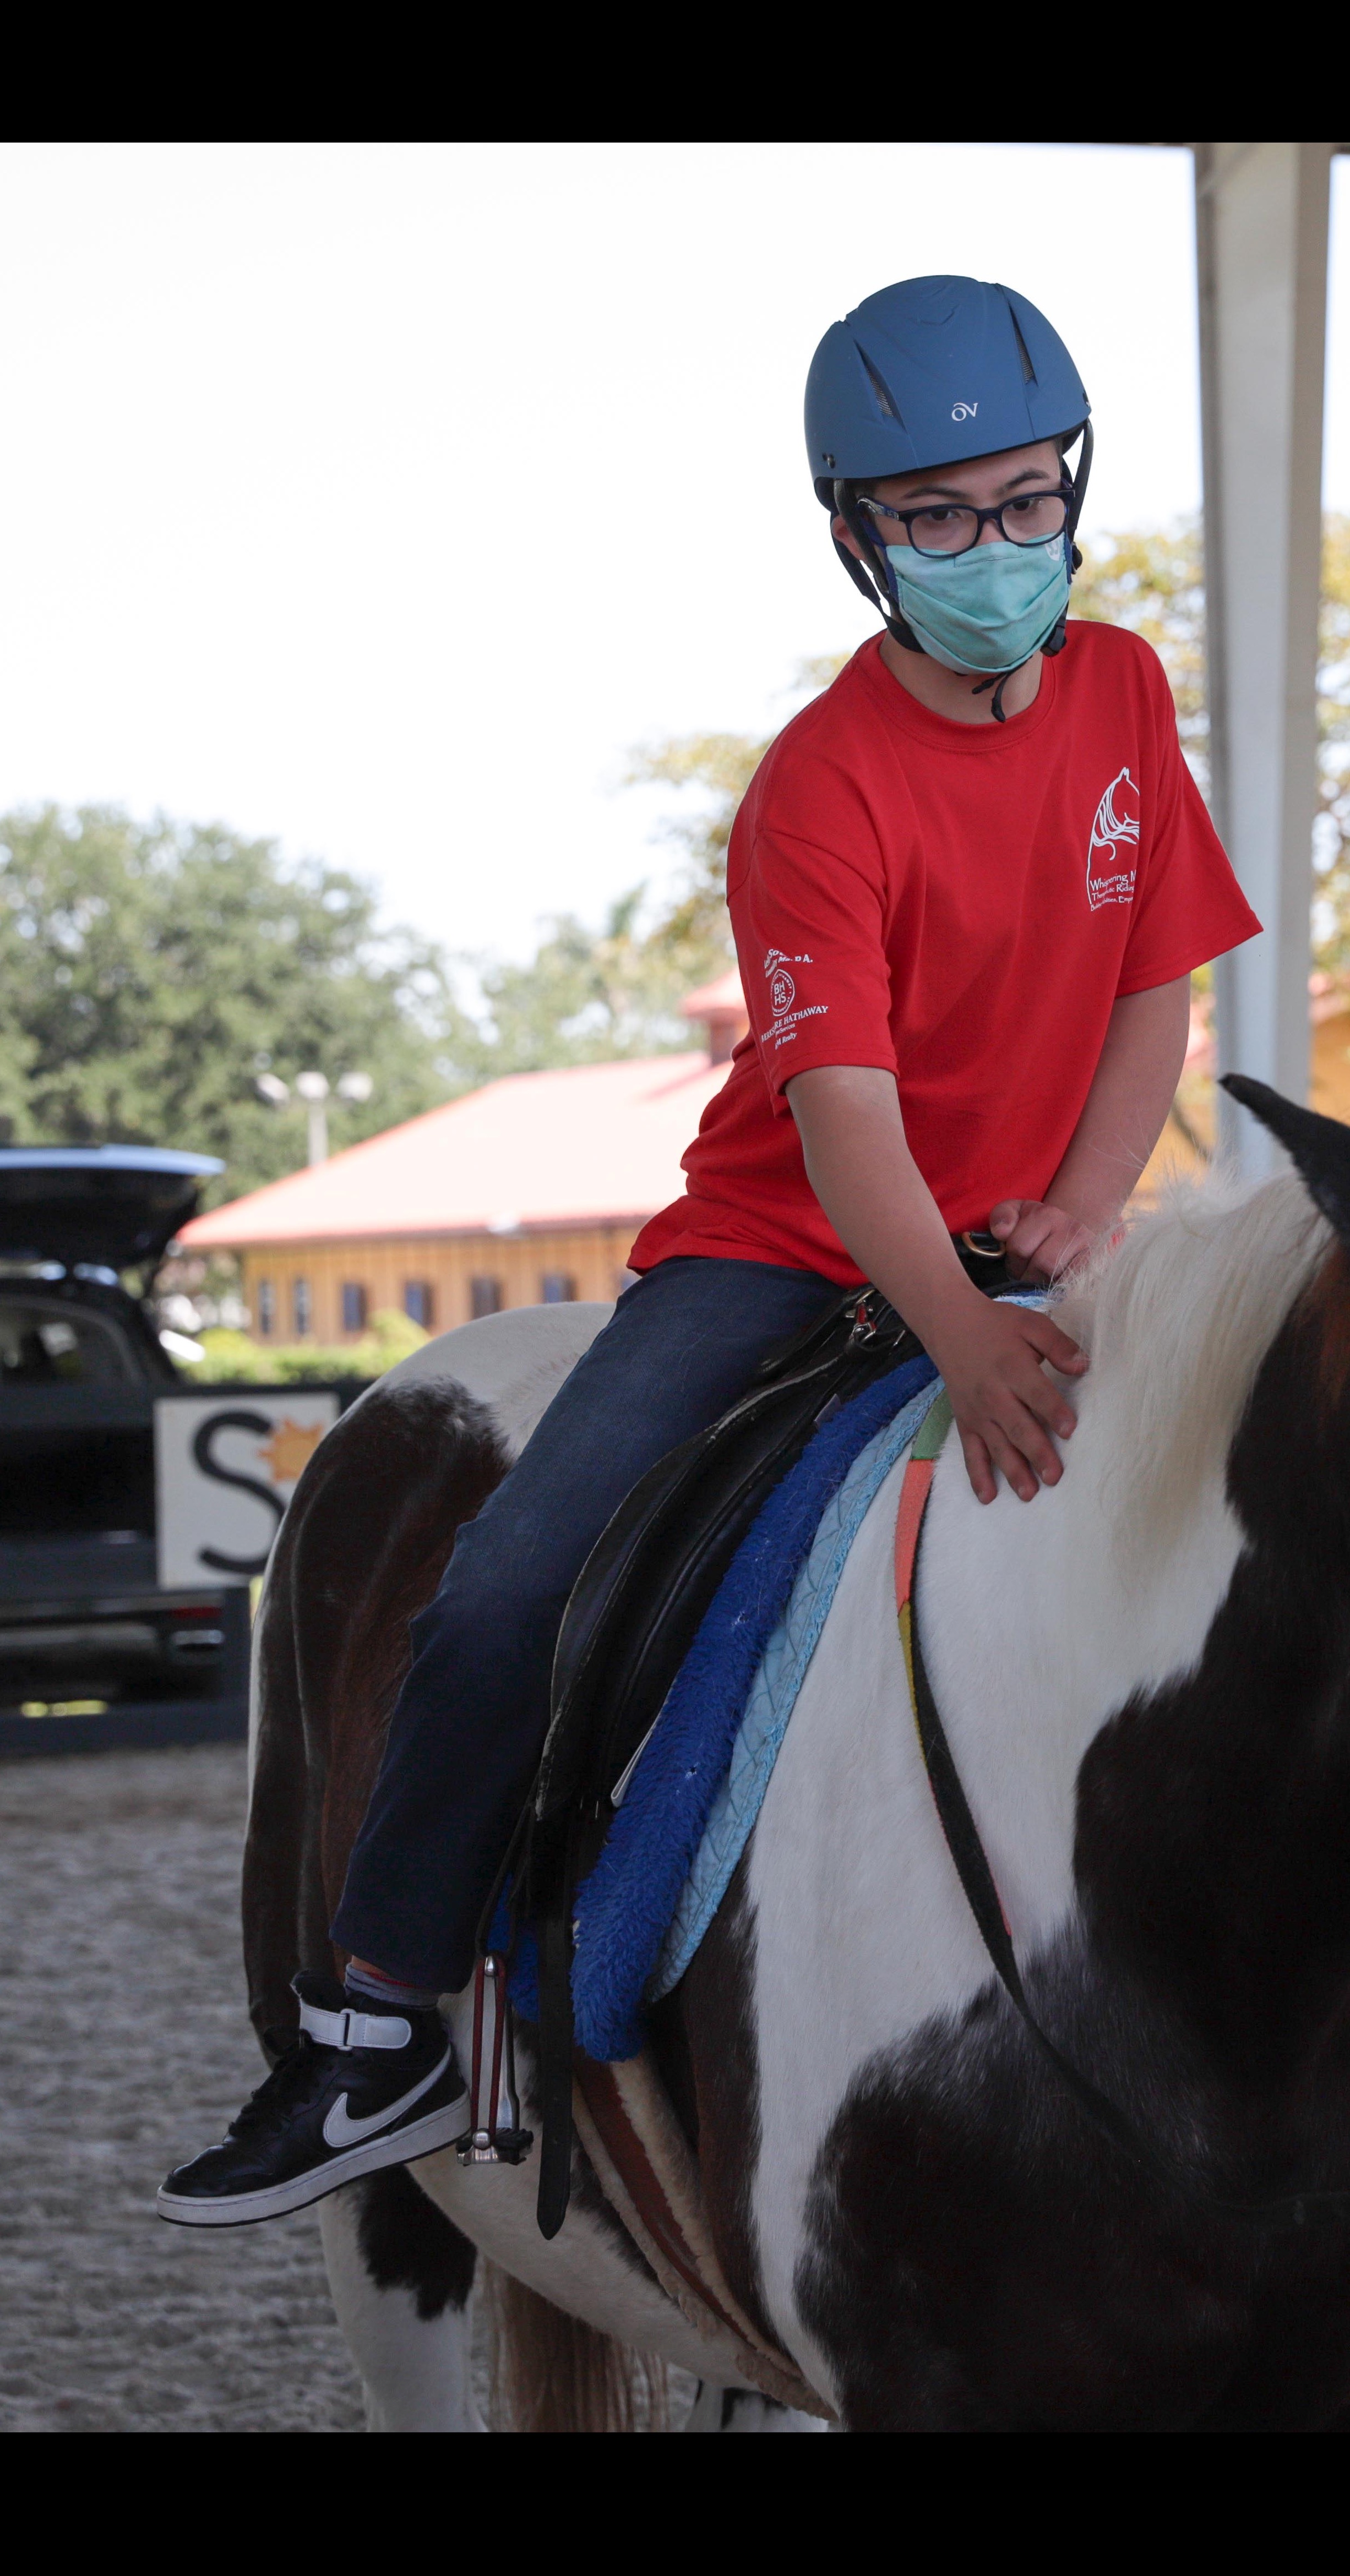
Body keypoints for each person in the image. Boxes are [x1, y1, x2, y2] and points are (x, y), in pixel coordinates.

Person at [157, 275, 1260, 2227]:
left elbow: (1156, 985)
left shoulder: (1125, 695)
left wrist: (1088, 1218)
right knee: (504, 1586)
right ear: (857, 538)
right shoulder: (820, 789)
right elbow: (843, 1130)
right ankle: (381, 2022)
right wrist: (966, 1336)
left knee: (1290, 1499)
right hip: (789, 1246)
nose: (995, 551)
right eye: (937, 520)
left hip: (1023, 1231)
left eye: (1024, 503)